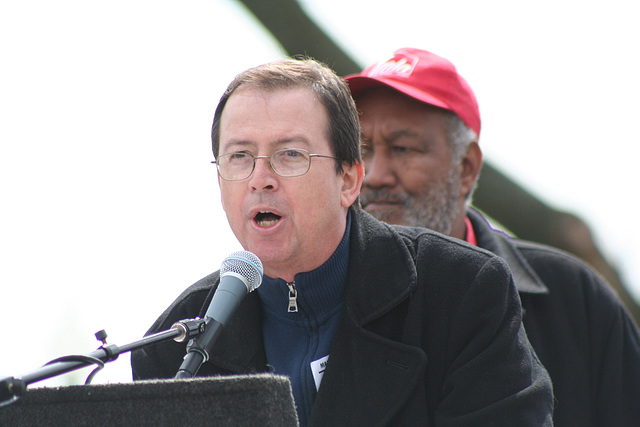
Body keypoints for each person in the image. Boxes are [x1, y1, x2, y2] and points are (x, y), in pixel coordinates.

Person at [131, 57, 553, 426]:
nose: (260, 178)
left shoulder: (461, 289)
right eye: (240, 156)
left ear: (349, 179)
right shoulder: (173, 350)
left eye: (290, 154)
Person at [344, 47, 640, 427]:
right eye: (362, 151)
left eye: (402, 148)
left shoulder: (573, 298)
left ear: (465, 168)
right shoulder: (314, 300)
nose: (375, 174)